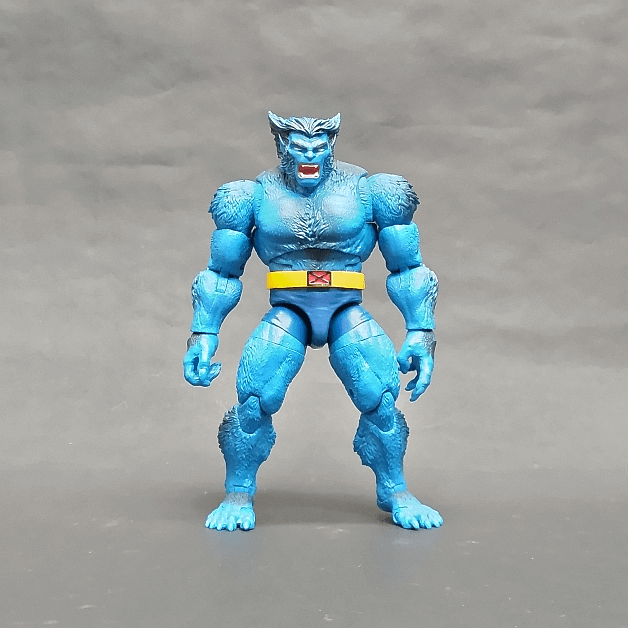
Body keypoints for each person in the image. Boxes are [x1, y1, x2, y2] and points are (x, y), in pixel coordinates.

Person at [183, 112, 442, 531]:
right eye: (299, 147)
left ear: (331, 147)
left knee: (380, 397)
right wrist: (203, 332)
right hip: (290, 308)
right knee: (253, 399)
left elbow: (408, 266)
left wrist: (421, 330)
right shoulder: (250, 196)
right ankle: (238, 493)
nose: (309, 155)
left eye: (319, 147)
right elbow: (222, 272)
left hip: (344, 307)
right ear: (281, 146)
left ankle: (395, 490)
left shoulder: (371, 190)